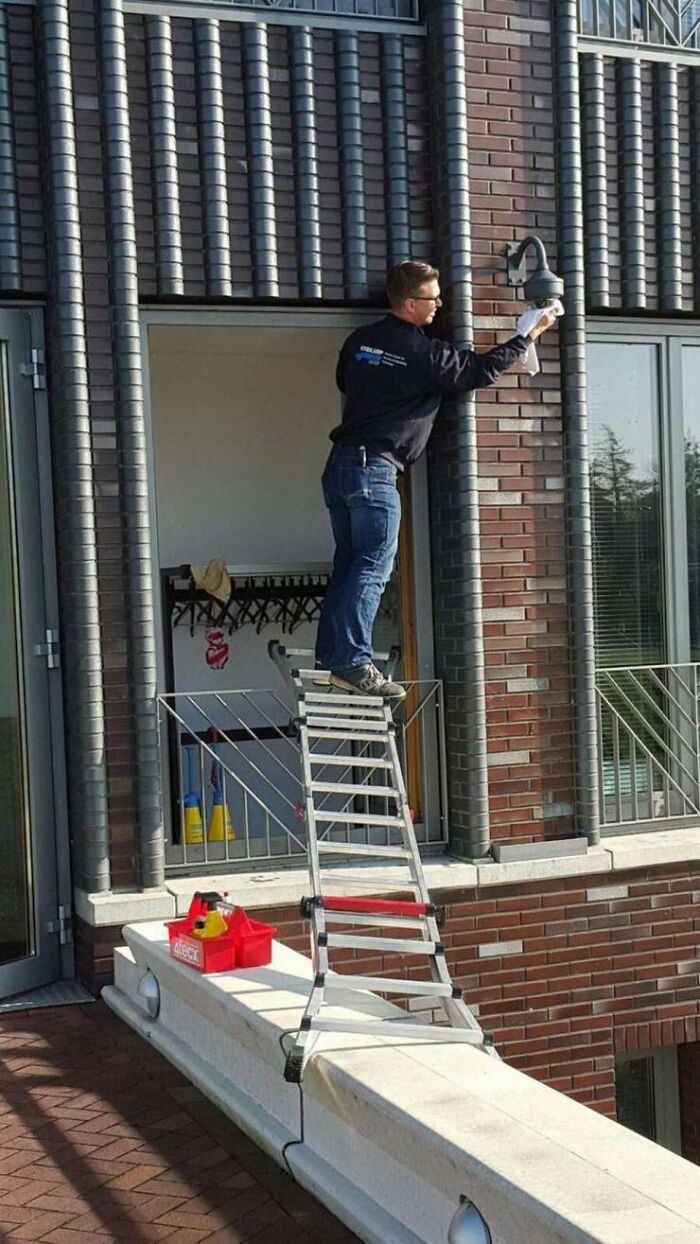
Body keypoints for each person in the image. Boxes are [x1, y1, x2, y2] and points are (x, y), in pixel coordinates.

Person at [315, 260, 557, 698]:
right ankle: (351, 662)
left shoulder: (359, 342)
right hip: (375, 469)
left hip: (342, 467)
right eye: (432, 298)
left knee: (350, 565)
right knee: (372, 566)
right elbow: (477, 372)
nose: (440, 304)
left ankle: (332, 658)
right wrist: (527, 336)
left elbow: (344, 382)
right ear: (410, 303)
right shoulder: (421, 352)